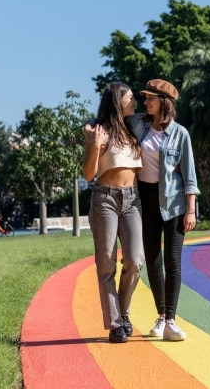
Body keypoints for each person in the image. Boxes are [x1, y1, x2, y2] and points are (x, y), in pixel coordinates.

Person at [130, 79, 199, 341]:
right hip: (145, 201)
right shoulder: (137, 124)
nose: (145, 101)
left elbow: (189, 176)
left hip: (174, 204)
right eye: (145, 98)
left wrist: (191, 210)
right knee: (152, 260)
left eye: (150, 98)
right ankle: (160, 316)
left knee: (172, 261)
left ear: (164, 102)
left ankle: (171, 319)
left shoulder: (180, 134)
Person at [82, 82, 144, 344]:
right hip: (105, 199)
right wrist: (95, 145)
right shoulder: (98, 131)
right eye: (130, 98)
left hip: (132, 199)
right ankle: (115, 324)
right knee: (106, 263)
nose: (135, 102)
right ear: (117, 101)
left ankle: (123, 311)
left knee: (135, 260)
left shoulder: (136, 127)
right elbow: (88, 175)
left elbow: (159, 111)